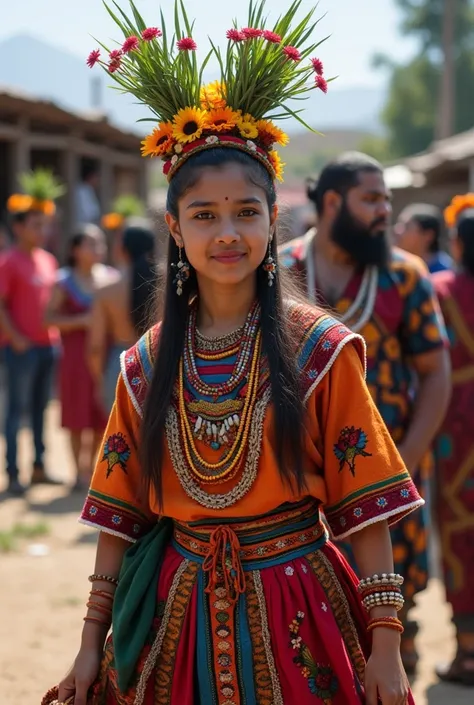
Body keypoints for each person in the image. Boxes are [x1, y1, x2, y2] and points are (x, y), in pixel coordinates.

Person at [46, 4, 422, 704]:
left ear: (273, 221)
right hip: (176, 618)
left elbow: (365, 510)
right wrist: (89, 644)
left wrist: (388, 644)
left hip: (301, 609)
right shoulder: (146, 364)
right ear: (174, 227)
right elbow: (117, 516)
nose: (227, 232)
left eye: (246, 212)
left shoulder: (319, 352)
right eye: (205, 214)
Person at [280, 152, 451, 673]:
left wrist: (402, 467)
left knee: (395, 600)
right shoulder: (279, 271)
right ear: (332, 202)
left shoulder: (405, 275)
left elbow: (435, 373)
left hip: (388, 473)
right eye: (371, 198)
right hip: (296, 477)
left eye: (386, 199)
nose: (384, 210)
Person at [0, 173, 64, 495]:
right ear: (19, 227)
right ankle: (13, 474)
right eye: (37, 225)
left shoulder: (48, 261)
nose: (44, 231)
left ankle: (39, 467)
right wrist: (15, 337)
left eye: (46, 224)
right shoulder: (9, 262)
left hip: (47, 347)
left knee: (41, 411)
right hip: (20, 350)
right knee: (16, 413)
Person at [432, 196, 474, 686]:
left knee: (459, 527)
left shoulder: (440, 288)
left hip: (456, 424)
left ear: (457, 243)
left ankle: (467, 652)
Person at [44, 225, 111, 490]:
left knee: (99, 416)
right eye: (92, 244)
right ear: (76, 250)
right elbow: (47, 319)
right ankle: (76, 472)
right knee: (75, 417)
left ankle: (90, 468)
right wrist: (81, 320)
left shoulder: (110, 278)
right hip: (74, 360)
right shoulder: (63, 281)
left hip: (103, 359)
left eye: (101, 243)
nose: (98, 249)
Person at [87, 221, 156, 413]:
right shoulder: (169, 285)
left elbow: (95, 346)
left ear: (123, 250)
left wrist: (101, 381)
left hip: (119, 369)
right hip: (161, 364)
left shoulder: (106, 289)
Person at [394, 203, 453, 274]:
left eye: (407, 227)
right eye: (398, 225)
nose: (397, 231)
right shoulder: (395, 266)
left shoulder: (445, 272)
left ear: (428, 235)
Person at [76, 161, 101, 226]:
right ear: (90, 177)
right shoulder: (82, 190)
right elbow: (88, 213)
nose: (97, 180)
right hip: (84, 226)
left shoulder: (90, 190)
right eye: (95, 177)